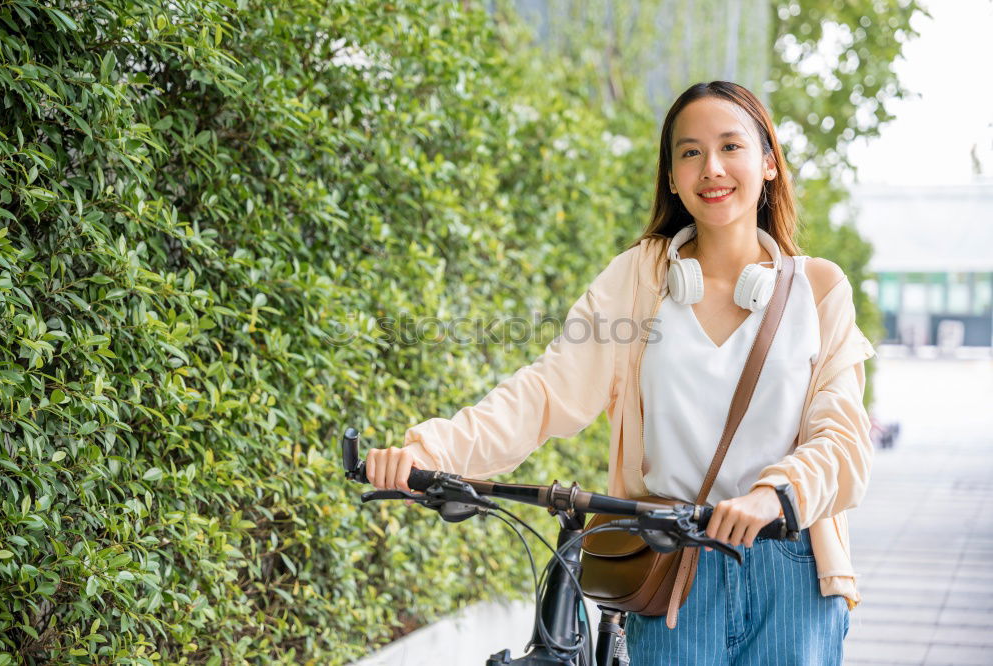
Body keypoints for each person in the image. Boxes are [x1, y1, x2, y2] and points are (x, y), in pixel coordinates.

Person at [366, 81, 875, 665]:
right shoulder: (639, 279)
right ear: (671, 175)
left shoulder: (819, 288)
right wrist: (428, 452)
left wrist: (771, 494)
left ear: (768, 164)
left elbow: (843, 438)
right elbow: (545, 391)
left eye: (730, 146)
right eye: (689, 152)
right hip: (669, 571)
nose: (711, 167)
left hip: (793, 572)